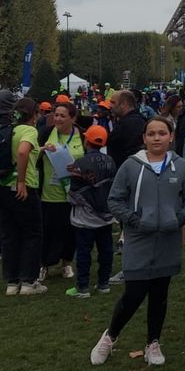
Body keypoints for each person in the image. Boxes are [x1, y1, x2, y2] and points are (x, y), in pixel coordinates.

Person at [90, 116, 185, 366]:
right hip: (139, 239)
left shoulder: (180, 167)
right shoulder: (130, 166)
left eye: (162, 133)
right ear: (144, 138)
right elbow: (114, 200)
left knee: (160, 294)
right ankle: (110, 336)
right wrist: (134, 221)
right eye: (151, 134)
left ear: (171, 136)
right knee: (134, 293)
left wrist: (179, 219)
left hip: (168, 241)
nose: (157, 138)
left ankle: (153, 342)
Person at [0, 96, 45, 295]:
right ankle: (29, 281)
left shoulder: (11, 130)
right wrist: (21, 181)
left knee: (10, 235)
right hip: (24, 187)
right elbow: (23, 152)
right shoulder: (29, 130)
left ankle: (12, 281)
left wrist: (41, 150)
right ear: (33, 114)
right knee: (32, 233)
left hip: (3, 187)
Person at [66, 124, 117, 298]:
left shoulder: (79, 162)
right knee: (106, 250)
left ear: (87, 140)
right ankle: (103, 283)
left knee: (83, 252)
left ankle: (83, 287)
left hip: (84, 217)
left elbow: (73, 192)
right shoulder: (110, 161)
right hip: (106, 215)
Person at [39, 99, 85, 281]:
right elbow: (32, 154)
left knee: (69, 231)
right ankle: (43, 266)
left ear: (72, 119)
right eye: (55, 115)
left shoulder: (81, 136)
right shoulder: (45, 133)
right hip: (48, 193)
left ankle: (66, 263)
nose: (57, 119)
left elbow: (89, 160)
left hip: (72, 194)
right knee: (47, 232)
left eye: (62, 116)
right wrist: (42, 150)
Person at [107, 91, 147, 169]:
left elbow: (134, 152)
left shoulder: (133, 124)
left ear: (123, 104)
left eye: (113, 102)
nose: (110, 106)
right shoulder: (127, 121)